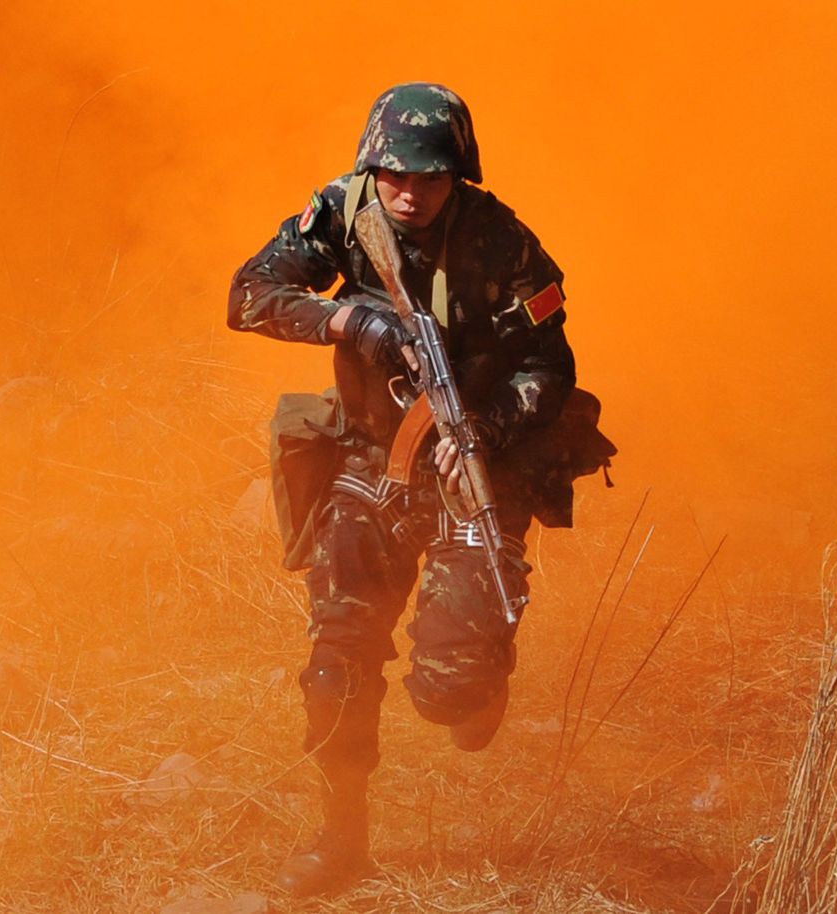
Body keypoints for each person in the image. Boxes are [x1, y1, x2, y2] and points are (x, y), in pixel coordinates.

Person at [228, 82, 609, 894]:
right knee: (337, 665)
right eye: (395, 174)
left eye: (430, 178)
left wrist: (486, 427)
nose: (409, 192)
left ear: (458, 176)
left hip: (476, 471)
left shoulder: (506, 245)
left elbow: (553, 367)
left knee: (449, 693)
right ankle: (341, 844)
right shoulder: (341, 212)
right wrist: (345, 320)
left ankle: (478, 676)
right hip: (369, 463)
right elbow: (248, 295)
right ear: (374, 164)